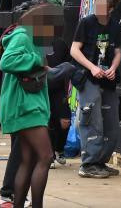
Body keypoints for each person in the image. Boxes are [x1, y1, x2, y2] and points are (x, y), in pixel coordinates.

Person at [0, 2, 53, 208]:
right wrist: (37, 60)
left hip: (26, 104)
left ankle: (18, 204)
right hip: (25, 106)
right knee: (46, 156)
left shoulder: (31, 37)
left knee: (28, 160)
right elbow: (7, 61)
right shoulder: (23, 35)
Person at [69, 0, 121, 179]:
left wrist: (114, 68)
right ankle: (89, 163)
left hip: (107, 81)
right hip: (88, 78)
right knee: (92, 119)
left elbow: (117, 52)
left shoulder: (115, 27)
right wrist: (92, 67)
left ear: (110, 9)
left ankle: (101, 161)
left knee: (111, 123)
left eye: (101, 5)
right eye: (96, 4)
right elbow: (74, 50)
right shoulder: (86, 23)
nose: (97, 8)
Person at [46, 36, 72, 168]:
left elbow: (69, 65)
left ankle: (59, 148)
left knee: (65, 121)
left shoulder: (60, 43)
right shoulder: (34, 44)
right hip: (41, 88)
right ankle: (49, 154)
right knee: (46, 121)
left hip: (59, 89)